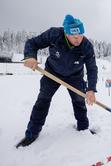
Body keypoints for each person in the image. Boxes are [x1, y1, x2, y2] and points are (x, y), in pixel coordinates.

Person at [16, 14, 98, 148]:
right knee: (43, 100)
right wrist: (30, 56)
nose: (78, 39)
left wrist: (91, 89)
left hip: (75, 77)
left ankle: (83, 128)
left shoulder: (86, 45)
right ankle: (32, 133)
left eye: (81, 35)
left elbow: (92, 68)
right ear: (66, 33)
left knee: (79, 102)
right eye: (74, 36)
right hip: (52, 73)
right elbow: (33, 43)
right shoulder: (54, 34)